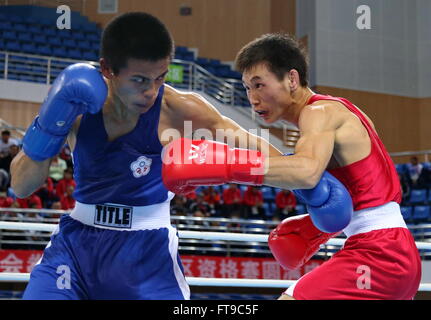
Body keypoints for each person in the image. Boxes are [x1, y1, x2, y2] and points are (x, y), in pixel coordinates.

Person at [11, 12, 281, 300]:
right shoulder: (77, 105)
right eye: (139, 80)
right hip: (76, 249)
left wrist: (307, 174)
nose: (151, 91)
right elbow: (21, 186)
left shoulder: (178, 110)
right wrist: (49, 127)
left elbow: (255, 145)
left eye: (160, 77)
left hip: (148, 252)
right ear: (107, 69)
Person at [161, 33, 421, 300]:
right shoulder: (339, 111)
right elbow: (282, 162)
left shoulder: (318, 113)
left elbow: (306, 173)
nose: (252, 98)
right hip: (395, 252)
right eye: (247, 88)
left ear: (292, 79)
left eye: (259, 85)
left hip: (377, 252)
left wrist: (223, 166)